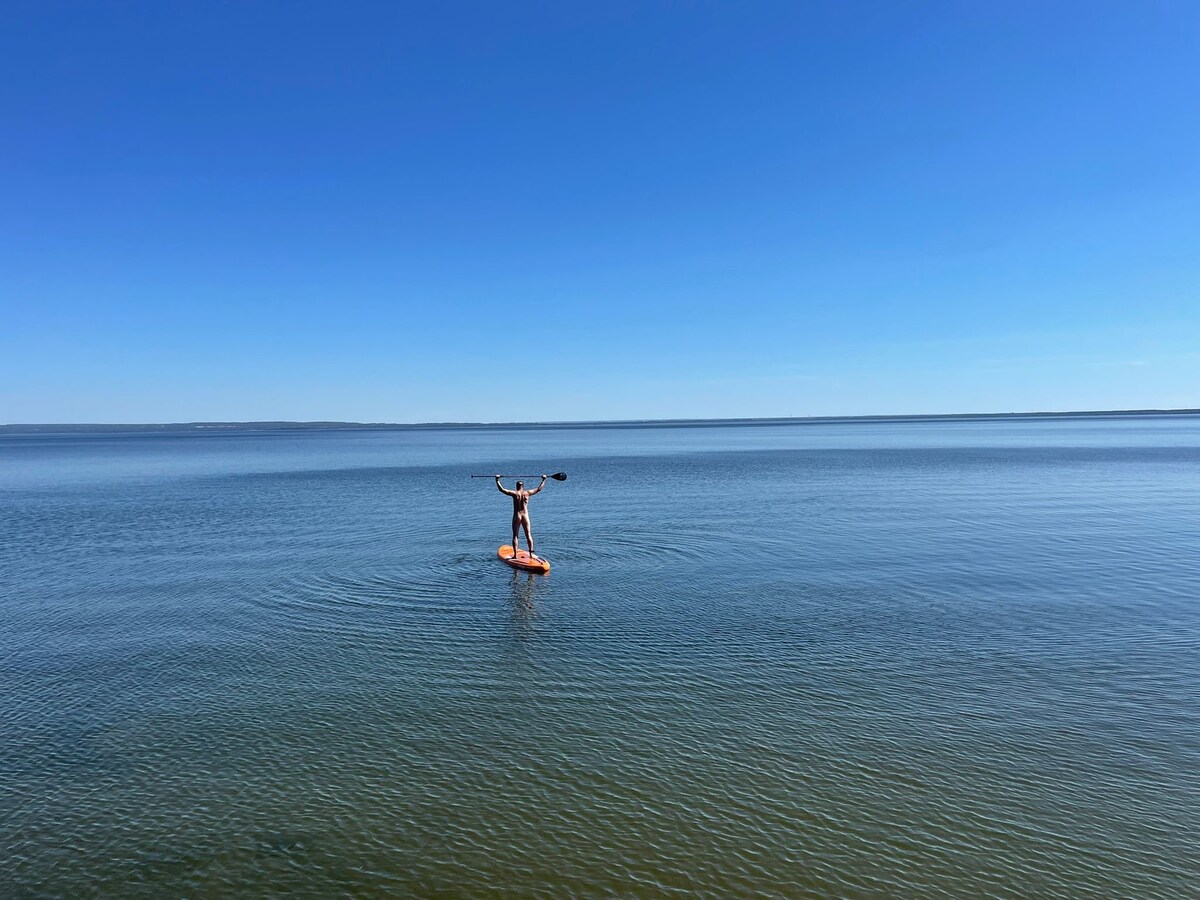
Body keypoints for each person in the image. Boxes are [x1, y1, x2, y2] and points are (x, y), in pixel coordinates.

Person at [495, 474, 548, 560]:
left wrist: (497, 480)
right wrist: (544, 480)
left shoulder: (514, 493)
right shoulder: (527, 493)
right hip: (525, 515)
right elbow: (539, 489)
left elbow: (502, 490)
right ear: (523, 486)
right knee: (528, 535)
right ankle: (531, 555)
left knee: (515, 536)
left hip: (517, 515)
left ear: (516, 486)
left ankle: (515, 555)